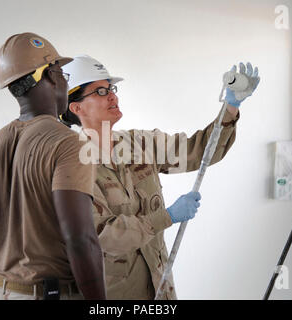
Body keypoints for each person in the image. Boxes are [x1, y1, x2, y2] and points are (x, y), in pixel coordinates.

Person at [61, 55, 260, 299]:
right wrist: (167, 217)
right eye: (100, 91)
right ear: (76, 107)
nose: (113, 95)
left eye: (111, 88)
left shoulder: (141, 144)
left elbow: (200, 151)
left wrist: (231, 106)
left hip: (160, 289)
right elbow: (103, 236)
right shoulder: (74, 165)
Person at [0, 34, 106, 300]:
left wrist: (3, 284)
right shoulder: (69, 144)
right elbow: (80, 239)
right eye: (62, 74)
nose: (64, 81)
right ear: (51, 75)